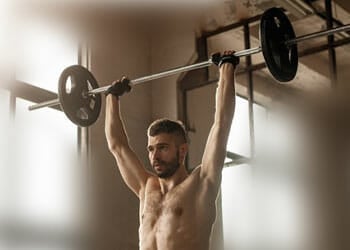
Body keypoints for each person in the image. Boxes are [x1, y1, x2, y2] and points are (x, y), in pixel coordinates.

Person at [105, 51, 238, 250]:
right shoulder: (146, 187)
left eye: (163, 148)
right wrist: (112, 97)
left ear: (182, 150)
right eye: (151, 149)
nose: (154, 156)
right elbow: (117, 145)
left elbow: (222, 123)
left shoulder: (201, 183)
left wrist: (226, 68)